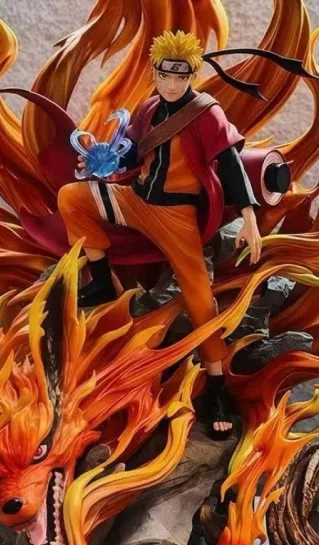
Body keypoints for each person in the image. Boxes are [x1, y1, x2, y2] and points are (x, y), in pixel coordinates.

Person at [58, 30, 268, 438]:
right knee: (72, 197)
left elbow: (230, 163)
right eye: (165, 76)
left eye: (181, 77)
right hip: (135, 201)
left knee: (199, 295)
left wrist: (249, 216)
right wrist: (102, 160)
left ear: (192, 76)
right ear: (154, 73)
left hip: (176, 215)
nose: (172, 84)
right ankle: (101, 282)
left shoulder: (207, 114)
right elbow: (131, 154)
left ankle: (217, 384)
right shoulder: (149, 107)